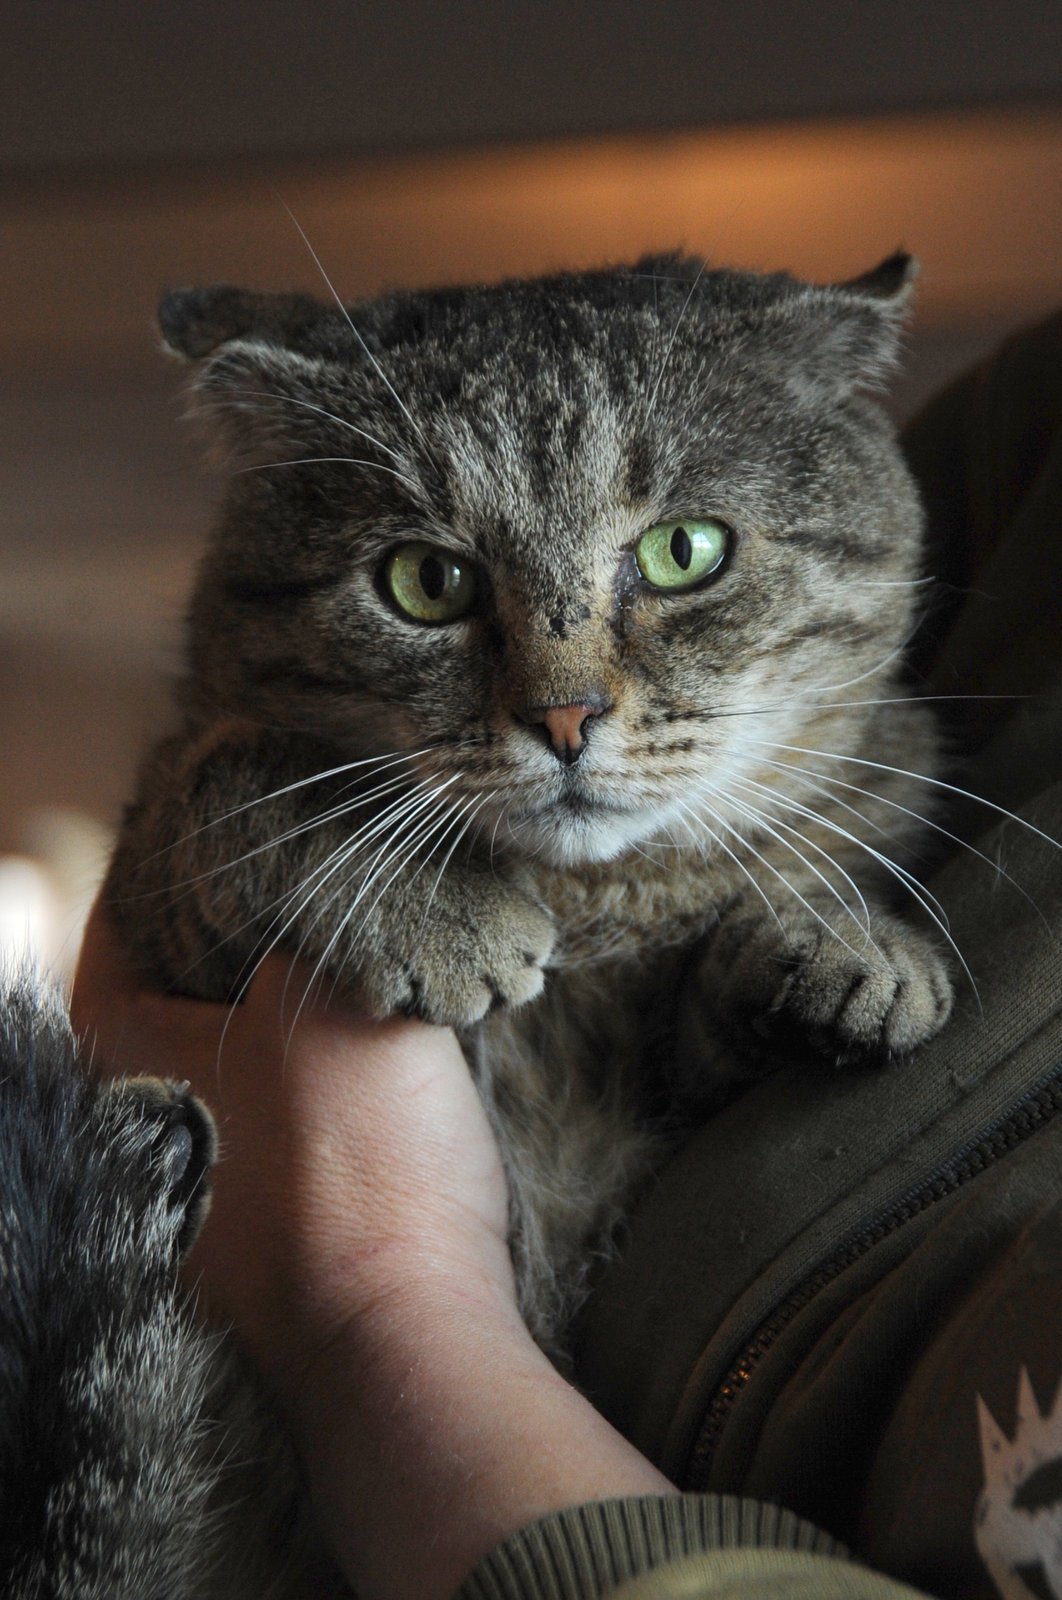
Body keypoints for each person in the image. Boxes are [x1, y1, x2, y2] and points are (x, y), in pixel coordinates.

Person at [71, 312, 1062, 1600]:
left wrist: (380, 1309)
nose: (563, 700)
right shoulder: (1022, 443)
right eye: (431, 586)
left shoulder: (860, 804)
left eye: (682, 554)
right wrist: (273, 827)